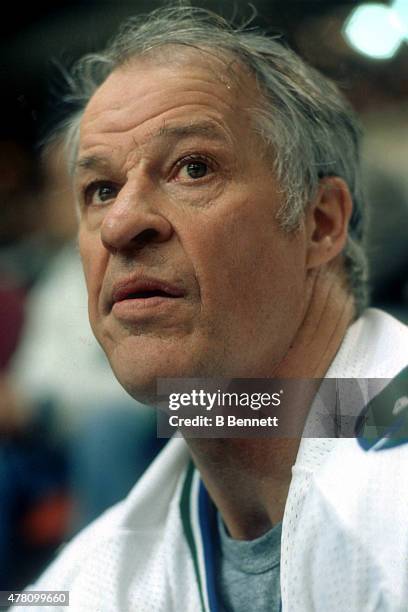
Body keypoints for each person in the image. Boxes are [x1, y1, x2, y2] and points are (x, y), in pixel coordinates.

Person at [11, 6, 408, 611]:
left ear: (321, 222)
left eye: (192, 168)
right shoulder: (89, 580)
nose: (121, 223)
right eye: (101, 190)